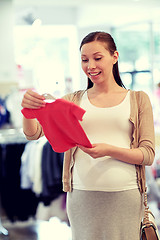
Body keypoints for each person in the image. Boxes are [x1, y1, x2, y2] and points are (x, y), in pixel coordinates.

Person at [21, 31, 155, 240]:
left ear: (115, 56)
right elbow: (34, 134)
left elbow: (148, 154)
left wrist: (108, 150)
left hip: (126, 195)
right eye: (84, 60)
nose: (90, 66)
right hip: (82, 196)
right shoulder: (72, 100)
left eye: (97, 58)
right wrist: (28, 110)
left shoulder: (138, 100)